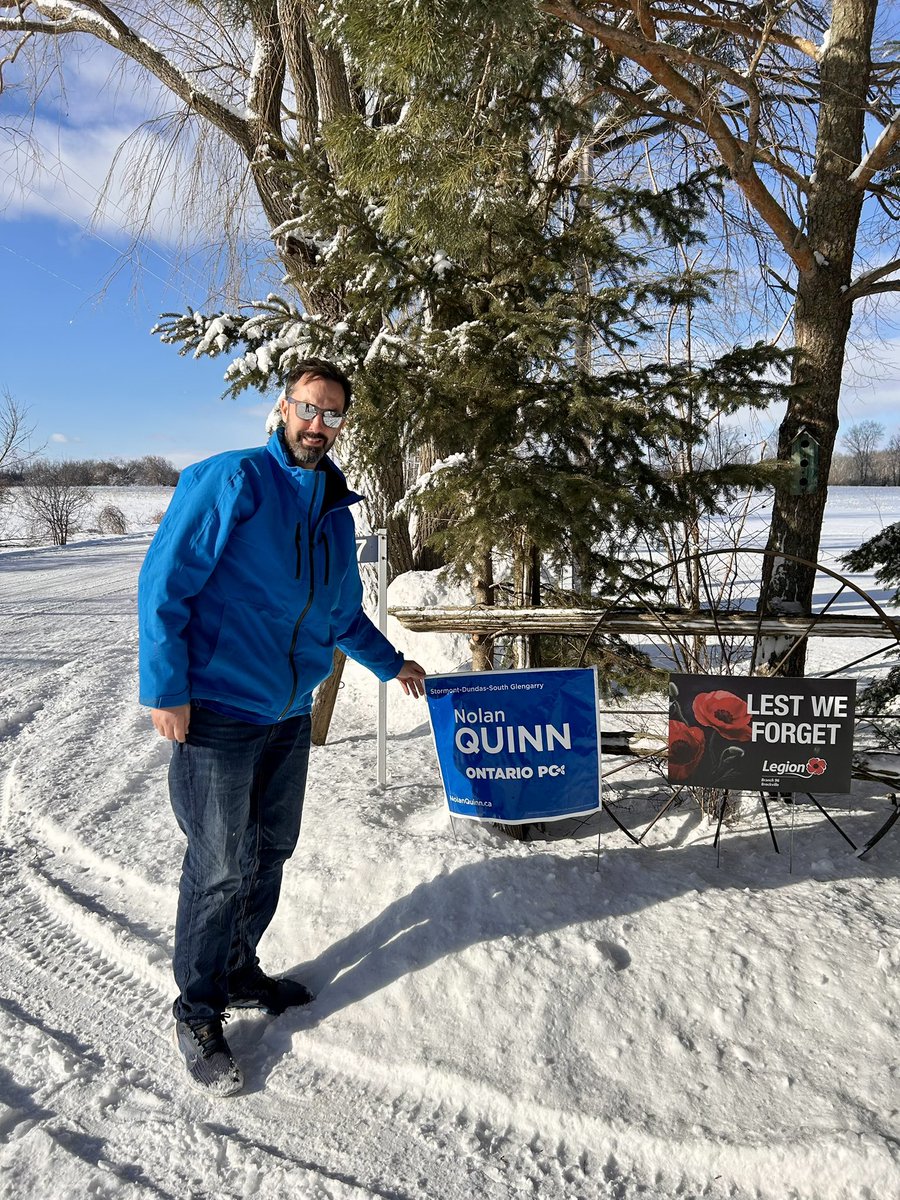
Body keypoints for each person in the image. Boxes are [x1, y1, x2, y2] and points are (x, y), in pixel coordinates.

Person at [138, 358, 426, 1096]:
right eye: (307, 407)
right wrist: (167, 688)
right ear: (283, 406)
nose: (317, 424)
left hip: (288, 712)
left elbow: (339, 614)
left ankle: (238, 971)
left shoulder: (336, 508)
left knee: (272, 852)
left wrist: (391, 664)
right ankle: (197, 1010)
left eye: (332, 413)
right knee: (219, 865)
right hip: (219, 711)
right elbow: (164, 584)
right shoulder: (231, 480)